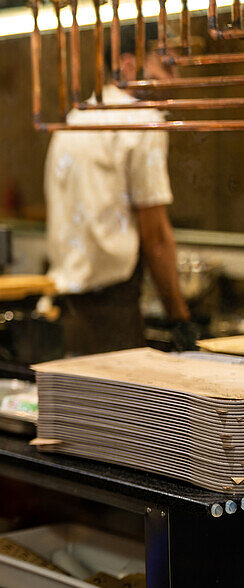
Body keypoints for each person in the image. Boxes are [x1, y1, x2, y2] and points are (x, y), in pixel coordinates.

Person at [46, 27, 195, 356]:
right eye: (166, 66)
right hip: (111, 307)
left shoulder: (78, 115)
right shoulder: (142, 121)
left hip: (64, 303)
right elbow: (154, 236)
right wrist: (180, 318)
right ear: (128, 66)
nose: (174, 79)